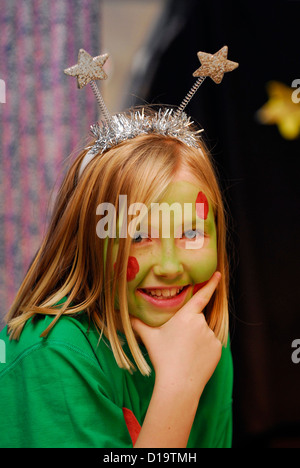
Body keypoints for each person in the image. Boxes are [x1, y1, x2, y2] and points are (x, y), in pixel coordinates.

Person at [0, 106, 233, 448]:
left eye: (190, 232)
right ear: (87, 241)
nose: (169, 267)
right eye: (138, 237)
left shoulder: (200, 338)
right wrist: (179, 387)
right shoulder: (51, 355)